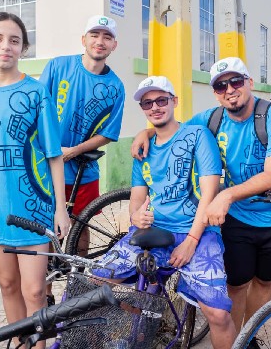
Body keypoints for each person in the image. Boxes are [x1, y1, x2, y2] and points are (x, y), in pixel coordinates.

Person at [132, 57, 271, 329]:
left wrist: (226, 195)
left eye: (236, 81)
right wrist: (146, 131)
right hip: (237, 217)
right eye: (221, 85)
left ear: (250, 83)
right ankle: (236, 342)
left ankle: (250, 335)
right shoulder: (212, 118)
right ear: (215, 93)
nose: (229, 89)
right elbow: (173, 127)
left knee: (264, 281)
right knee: (237, 283)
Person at [96, 76, 236, 348]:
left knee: (218, 315)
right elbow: (137, 199)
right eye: (148, 103)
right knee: (96, 280)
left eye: (161, 100)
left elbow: (209, 194)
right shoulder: (142, 149)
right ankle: (140, 332)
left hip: (198, 231)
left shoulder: (197, 136)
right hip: (155, 229)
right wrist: (136, 216)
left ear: (174, 101)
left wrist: (191, 242)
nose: (155, 107)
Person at [0, 12, 69, 348]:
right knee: (8, 285)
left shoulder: (36, 92)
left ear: (23, 48)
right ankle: (22, 343)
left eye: (14, 40)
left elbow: (53, 153)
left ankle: (39, 345)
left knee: (35, 289)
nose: (5, 46)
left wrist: (60, 208)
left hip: (32, 204)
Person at [39, 15, 125, 240]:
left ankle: (79, 273)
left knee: (81, 225)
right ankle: (47, 271)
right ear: (83, 39)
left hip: (82, 169)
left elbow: (108, 133)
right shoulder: (58, 66)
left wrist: (73, 151)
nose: (100, 41)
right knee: (46, 225)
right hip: (46, 163)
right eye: (94, 35)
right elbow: (36, 109)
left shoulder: (116, 86)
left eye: (107, 37)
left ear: (114, 45)